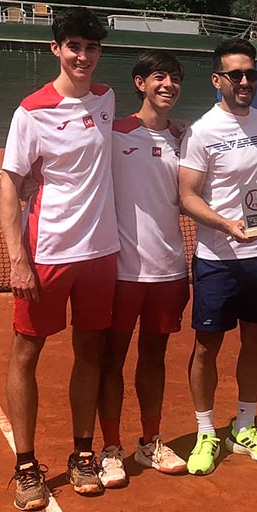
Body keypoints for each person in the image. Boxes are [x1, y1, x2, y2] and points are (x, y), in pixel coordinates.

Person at [0, 6, 118, 510]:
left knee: (90, 352)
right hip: (47, 253)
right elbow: (10, 184)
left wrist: (172, 128)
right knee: (26, 353)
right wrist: (17, 259)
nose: (83, 56)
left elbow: (130, 131)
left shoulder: (107, 99)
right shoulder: (31, 112)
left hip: (101, 254)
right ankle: (26, 465)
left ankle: (83, 453)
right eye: (74, 47)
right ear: (56, 48)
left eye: (91, 47)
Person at [178, 38, 257, 474]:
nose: (245, 82)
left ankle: (244, 426)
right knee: (207, 347)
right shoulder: (202, 131)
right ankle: (206, 432)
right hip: (217, 258)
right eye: (236, 75)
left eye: (251, 74)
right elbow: (187, 195)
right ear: (217, 80)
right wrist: (225, 225)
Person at [95, 51, 190, 488]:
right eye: (159, 77)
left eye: (175, 78)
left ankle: (150, 441)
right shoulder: (114, 133)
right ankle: (110, 448)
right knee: (111, 360)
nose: (168, 84)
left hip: (169, 271)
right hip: (121, 273)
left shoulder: (185, 139)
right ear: (140, 83)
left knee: (154, 358)